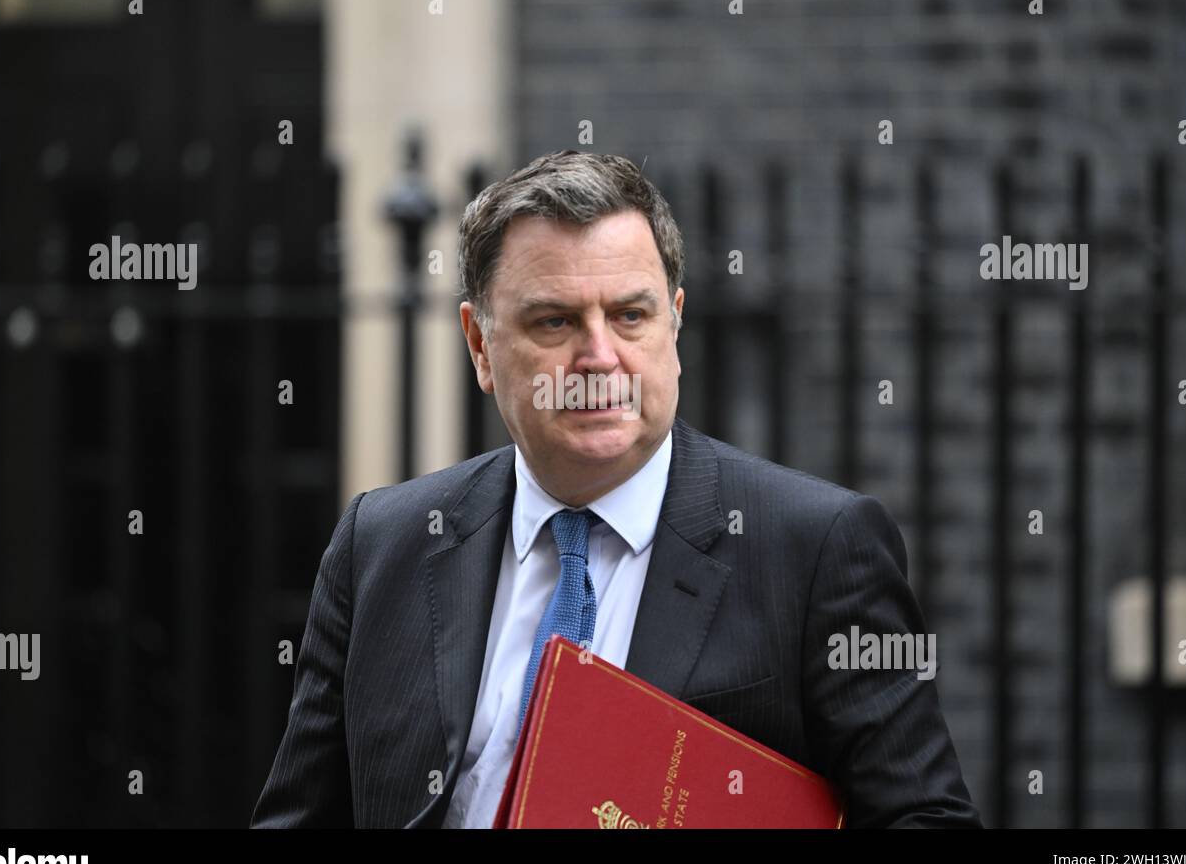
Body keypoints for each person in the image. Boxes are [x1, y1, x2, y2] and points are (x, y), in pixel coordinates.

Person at [251, 149, 981, 828]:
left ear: (676, 322)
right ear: (479, 344)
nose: (600, 357)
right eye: (555, 321)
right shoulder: (381, 544)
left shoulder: (819, 549)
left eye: (630, 315)